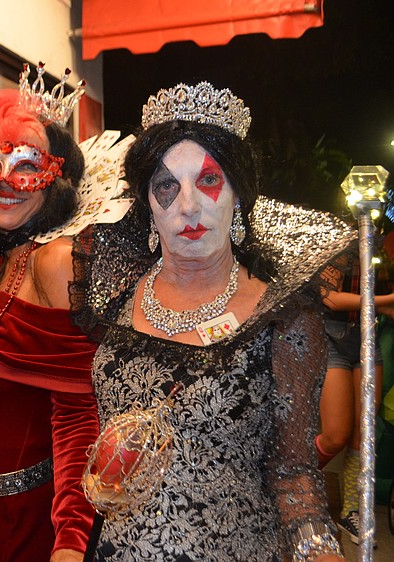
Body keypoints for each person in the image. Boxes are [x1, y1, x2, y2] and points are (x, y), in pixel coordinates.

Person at [72, 81, 350, 561]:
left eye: (208, 180)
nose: (188, 206)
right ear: (147, 205)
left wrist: (318, 550)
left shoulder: (281, 319)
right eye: (166, 186)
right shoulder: (112, 297)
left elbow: (294, 474)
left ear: (238, 194)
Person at [0, 64, 100, 562]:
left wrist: (71, 541)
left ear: (57, 179)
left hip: (25, 517)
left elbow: (78, 412)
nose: (6, 182)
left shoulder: (56, 260)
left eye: (27, 167)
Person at [316, 256, 387, 544]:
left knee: (364, 434)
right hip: (328, 334)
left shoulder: (376, 243)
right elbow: (329, 299)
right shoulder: (331, 237)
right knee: (336, 435)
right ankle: (289, 485)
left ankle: (351, 511)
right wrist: (386, 301)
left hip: (366, 335)